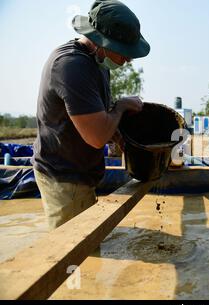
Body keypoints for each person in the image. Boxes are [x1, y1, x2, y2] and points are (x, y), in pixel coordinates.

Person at [32, 0, 151, 230]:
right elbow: (96, 136)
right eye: (125, 52)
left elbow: (95, 115)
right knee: (71, 257)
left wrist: (117, 134)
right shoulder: (72, 66)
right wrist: (122, 106)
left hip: (82, 173)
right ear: (102, 43)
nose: (129, 59)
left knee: (90, 248)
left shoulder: (97, 62)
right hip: (64, 178)